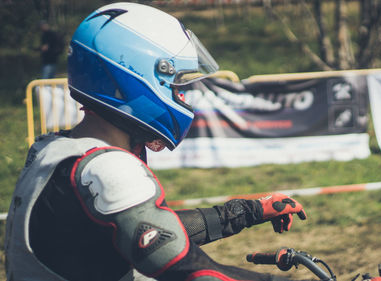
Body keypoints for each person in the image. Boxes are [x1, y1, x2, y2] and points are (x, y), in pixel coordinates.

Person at [5, 3, 308, 281]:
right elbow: (189, 270)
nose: (182, 98)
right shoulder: (108, 168)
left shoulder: (54, 149)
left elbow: (146, 230)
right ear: (132, 78)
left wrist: (246, 211)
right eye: (176, 86)